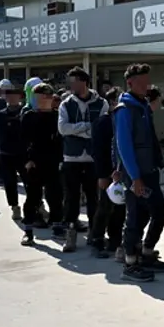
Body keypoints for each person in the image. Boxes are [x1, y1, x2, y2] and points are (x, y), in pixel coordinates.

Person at [114, 64, 164, 283]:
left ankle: (146, 252)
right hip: (136, 174)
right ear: (130, 83)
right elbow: (124, 145)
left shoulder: (142, 106)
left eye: (148, 81)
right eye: (142, 82)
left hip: (149, 171)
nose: (147, 86)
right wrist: (133, 176)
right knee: (136, 217)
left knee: (156, 213)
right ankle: (130, 262)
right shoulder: (125, 109)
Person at [58, 66, 108, 252]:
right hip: (72, 157)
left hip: (93, 158)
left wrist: (78, 129)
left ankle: (96, 235)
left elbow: (102, 127)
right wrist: (87, 127)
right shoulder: (66, 104)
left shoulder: (100, 103)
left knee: (94, 198)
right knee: (71, 198)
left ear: (84, 82)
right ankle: (70, 234)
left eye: (74, 81)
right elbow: (63, 128)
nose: (70, 85)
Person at [19, 83, 65, 245]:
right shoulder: (29, 116)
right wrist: (27, 161)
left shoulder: (57, 116)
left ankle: (57, 226)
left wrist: (61, 160)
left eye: (42, 97)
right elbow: (22, 141)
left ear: (50, 98)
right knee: (33, 197)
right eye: (36, 97)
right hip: (35, 163)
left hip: (53, 162)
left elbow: (61, 141)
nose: (39, 100)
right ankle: (28, 230)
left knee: (55, 196)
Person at [89, 87, 126, 259]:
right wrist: (103, 175)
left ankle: (115, 239)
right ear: (112, 103)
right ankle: (97, 239)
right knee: (104, 206)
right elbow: (98, 151)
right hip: (107, 172)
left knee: (120, 208)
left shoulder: (123, 120)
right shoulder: (103, 122)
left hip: (121, 173)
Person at [0, 83, 26, 221]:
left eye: (15, 96)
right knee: (10, 182)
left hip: (23, 153)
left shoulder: (24, 113)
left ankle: (37, 205)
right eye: (9, 96)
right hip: (6, 153)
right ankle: (14, 207)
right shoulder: (1, 114)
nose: (12, 99)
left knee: (30, 181)